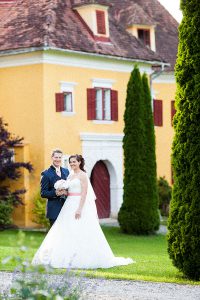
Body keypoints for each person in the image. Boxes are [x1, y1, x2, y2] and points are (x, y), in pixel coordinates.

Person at [32, 154, 134, 269]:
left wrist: (79, 209)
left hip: (79, 204)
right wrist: (62, 191)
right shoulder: (70, 175)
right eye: (70, 162)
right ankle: (62, 256)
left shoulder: (83, 175)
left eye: (74, 162)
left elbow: (84, 193)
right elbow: (69, 190)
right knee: (66, 229)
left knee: (81, 229)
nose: (72, 164)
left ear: (79, 162)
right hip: (69, 204)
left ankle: (83, 258)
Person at [40, 149, 69, 227]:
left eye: (60, 157)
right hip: (54, 209)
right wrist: (55, 193)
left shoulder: (66, 171)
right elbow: (43, 193)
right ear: (52, 158)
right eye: (56, 157)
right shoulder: (46, 174)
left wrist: (67, 192)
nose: (58, 159)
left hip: (67, 207)